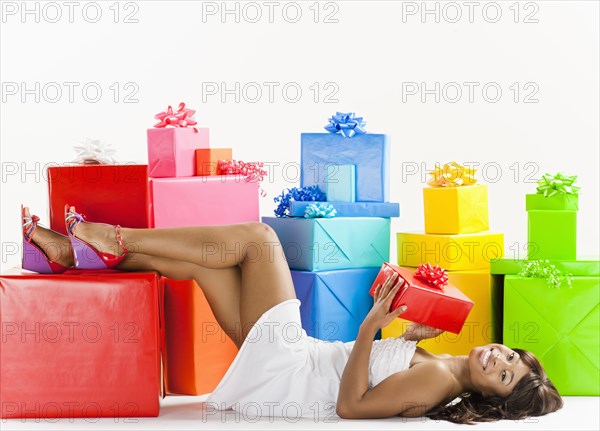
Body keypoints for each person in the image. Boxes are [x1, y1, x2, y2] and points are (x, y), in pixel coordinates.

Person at [21, 205, 564, 423]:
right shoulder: (442, 364)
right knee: (208, 268)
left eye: (502, 374)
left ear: (490, 398)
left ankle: (112, 238)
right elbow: (377, 369)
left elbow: (352, 407)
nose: (497, 357)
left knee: (260, 240)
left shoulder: (437, 380)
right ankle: (67, 254)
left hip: (293, 369)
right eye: (509, 355)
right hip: (290, 361)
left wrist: (373, 326)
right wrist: (403, 331)